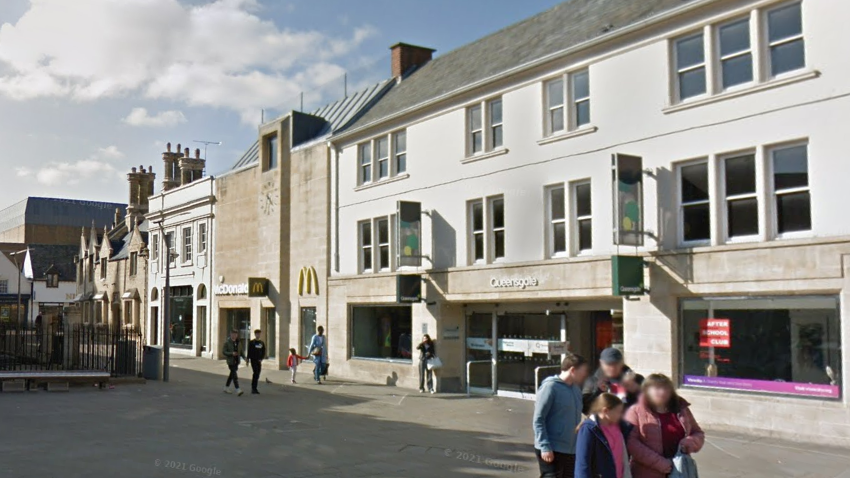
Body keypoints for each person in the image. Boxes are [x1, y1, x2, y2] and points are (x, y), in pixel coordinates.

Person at [625, 374, 705, 478]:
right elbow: (631, 443)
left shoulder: (681, 408)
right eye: (657, 388)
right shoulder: (636, 411)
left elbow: (697, 432)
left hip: (680, 470)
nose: (662, 392)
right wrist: (661, 464)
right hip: (647, 472)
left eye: (666, 388)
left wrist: (691, 442)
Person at [533, 353, 590, 478]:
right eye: (583, 371)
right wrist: (545, 446)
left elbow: (584, 409)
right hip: (552, 448)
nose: (585, 375)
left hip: (570, 449)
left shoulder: (576, 389)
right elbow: (538, 419)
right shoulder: (550, 387)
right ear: (573, 370)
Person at [575, 393, 633, 478]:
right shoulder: (589, 429)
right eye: (618, 412)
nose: (621, 415)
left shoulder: (620, 426)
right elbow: (582, 463)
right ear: (606, 411)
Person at [582, 347, 632, 414]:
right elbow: (585, 408)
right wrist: (599, 391)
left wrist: (632, 390)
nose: (612, 368)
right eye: (609, 364)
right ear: (601, 363)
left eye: (616, 364)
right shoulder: (593, 381)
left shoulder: (632, 379)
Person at [222, 329, 245, 396]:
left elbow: (241, 351)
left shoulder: (238, 342)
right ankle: (238, 389)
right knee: (234, 375)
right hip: (230, 361)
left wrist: (245, 358)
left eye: (235, 334)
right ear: (230, 334)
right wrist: (231, 353)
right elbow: (224, 352)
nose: (234, 335)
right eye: (233, 334)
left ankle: (226, 387)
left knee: (231, 375)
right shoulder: (227, 342)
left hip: (237, 361)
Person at [247, 329, 266, 394]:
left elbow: (263, 351)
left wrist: (261, 358)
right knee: (255, 372)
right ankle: (253, 388)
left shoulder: (261, 343)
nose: (258, 335)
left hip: (259, 360)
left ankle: (255, 387)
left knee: (258, 374)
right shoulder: (252, 342)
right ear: (255, 334)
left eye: (259, 334)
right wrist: (247, 359)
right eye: (257, 334)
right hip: (253, 360)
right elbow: (249, 351)